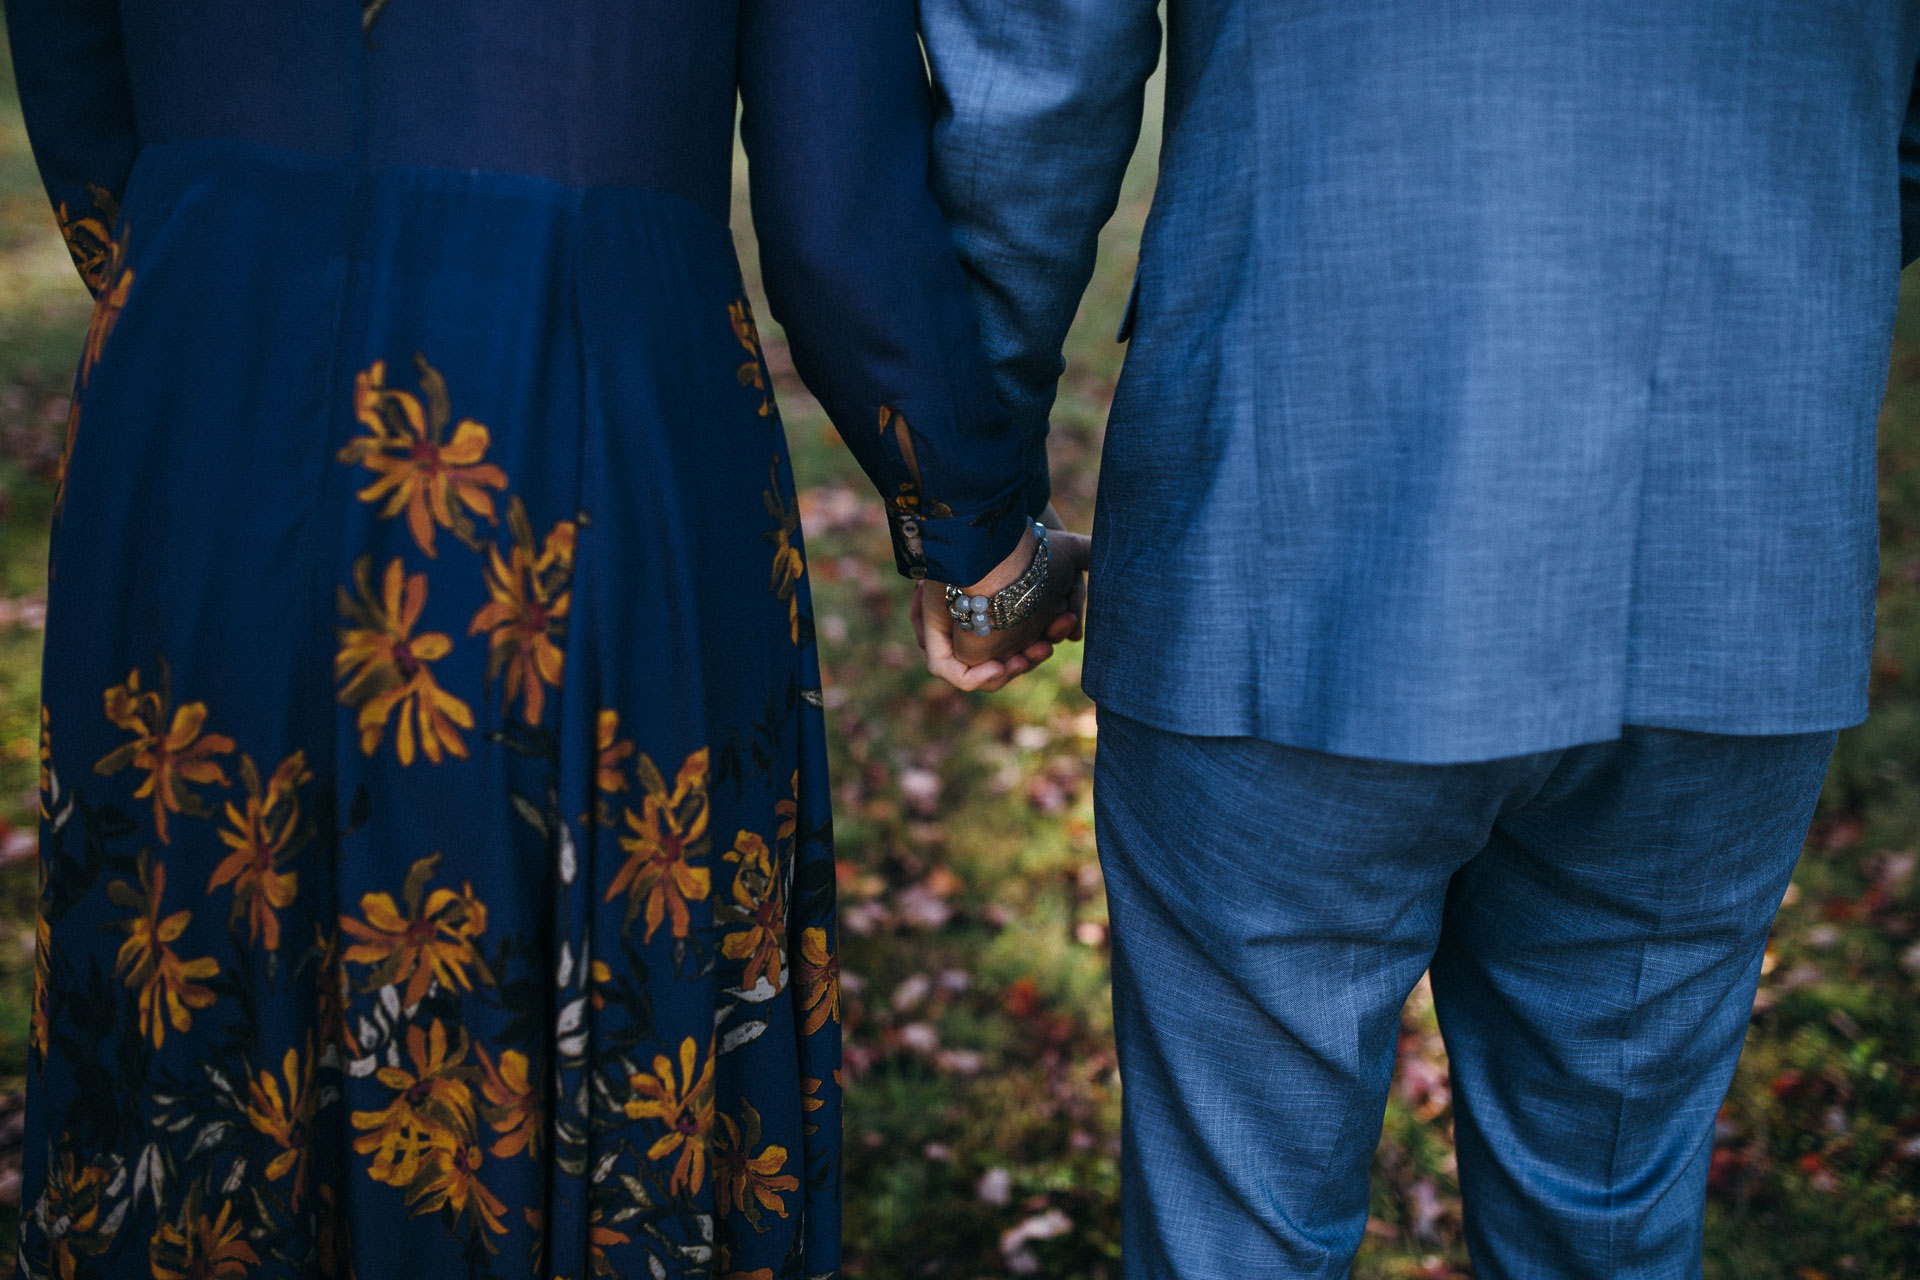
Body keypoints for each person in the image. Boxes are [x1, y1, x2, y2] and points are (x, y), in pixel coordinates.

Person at [5, 0, 1072, 1276]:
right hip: (582, 408)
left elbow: (77, 91)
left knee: (201, 1027)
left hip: (201, 400)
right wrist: (972, 534)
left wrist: (206, 274)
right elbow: (835, 201)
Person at [914, 2, 1920, 1275]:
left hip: (1302, 515)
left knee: (1244, 1230)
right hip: (1735, 534)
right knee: (1605, 1216)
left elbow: (1031, 89)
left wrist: (973, 507)